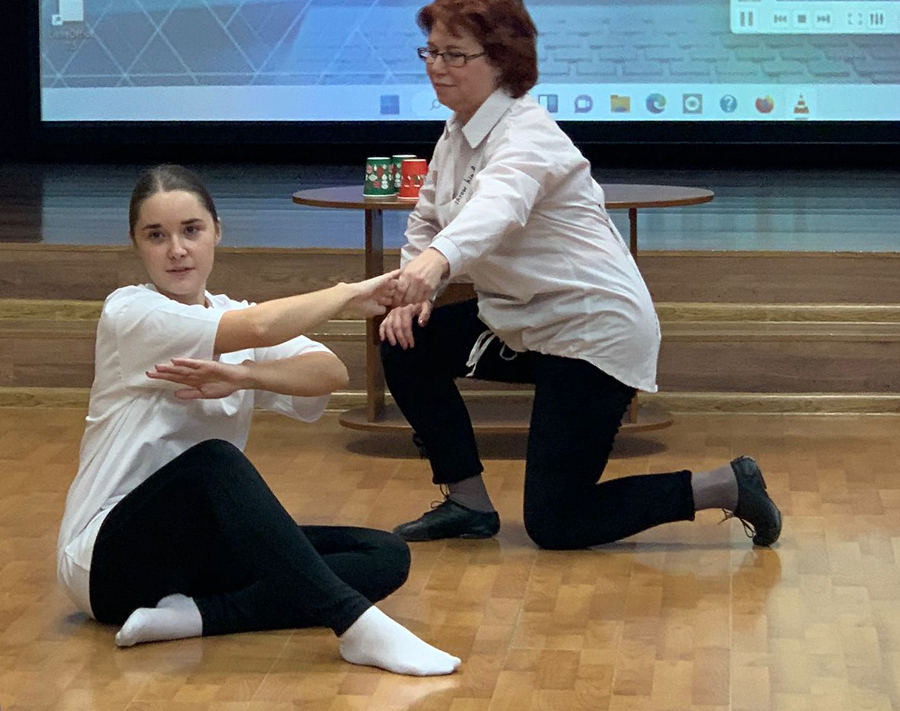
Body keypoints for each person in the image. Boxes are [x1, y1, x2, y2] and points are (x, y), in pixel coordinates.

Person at [379, 0, 782, 549]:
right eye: (430, 52)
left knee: (557, 523)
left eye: (454, 54)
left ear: (500, 61)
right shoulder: (458, 131)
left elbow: (498, 207)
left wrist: (437, 263)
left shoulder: (528, 133)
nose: (436, 66)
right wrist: (412, 289)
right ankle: (468, 503)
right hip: (521, 318)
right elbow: (428, 217)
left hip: (592, 330)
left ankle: (727, 486)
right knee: (406, 339)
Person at [56, 164, 460, 677]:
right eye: (156, 236)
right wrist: (346, 294)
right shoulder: (130, 313)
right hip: (104, 564)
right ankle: (355, 625)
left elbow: (328, 371)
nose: (177, 249)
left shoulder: (229, 313)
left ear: (217, 232)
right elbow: (261, 326)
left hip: (195, 560)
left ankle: (199, 617)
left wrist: (245, 376)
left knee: (383, 555)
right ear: (136, 243)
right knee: (213, 463)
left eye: (191, 230)